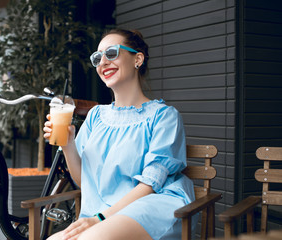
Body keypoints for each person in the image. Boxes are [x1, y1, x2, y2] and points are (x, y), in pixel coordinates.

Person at [44, 29, 197, 240]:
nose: (103, 62)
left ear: (138, 59)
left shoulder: (164, 117)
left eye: (112, 53)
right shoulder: (96, 116)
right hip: (101, 213)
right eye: (98, 57)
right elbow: (83, 181)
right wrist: (68, 143)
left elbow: (150, 185)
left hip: (152, 206)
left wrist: (99, 218)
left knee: (92, 238)